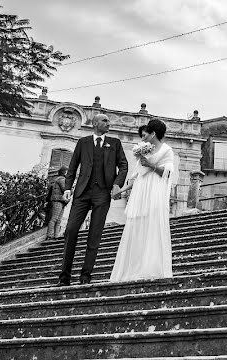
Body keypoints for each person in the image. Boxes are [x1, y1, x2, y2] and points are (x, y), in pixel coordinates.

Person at [56, 114, 128, 286]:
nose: (108, 123)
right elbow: (72, 167)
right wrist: (67, 188)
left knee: (94, 235)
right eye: (105, 121)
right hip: (82, 193)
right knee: (71, 231)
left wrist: (117, 184)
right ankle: (64, 277)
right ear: (95, 124)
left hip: (102, 194)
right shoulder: (83, 142)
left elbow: (124, 165)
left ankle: (85, 276)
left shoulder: (115, 143)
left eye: (108, 121)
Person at [110, 118, 178, 282]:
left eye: (146, 133)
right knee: (137, 227)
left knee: (152, 227)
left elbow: (168, 174)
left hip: (154, 192)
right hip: (140, 193)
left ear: (153, 133)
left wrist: (151, 165)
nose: (143, 138)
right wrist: (121, 190)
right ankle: (133, 268)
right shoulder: (144, 150)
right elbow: (136, 176)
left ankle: (151, 268)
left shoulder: (167, 150)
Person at [45, 166, 68, 239]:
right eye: (67, 171)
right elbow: (65, 189)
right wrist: (72, 188)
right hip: (58, 200)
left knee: (58, 220)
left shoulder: (59, 179)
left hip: (61, 200)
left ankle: (55, 236)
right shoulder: (61, 179)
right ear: (64, 172)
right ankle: (49, 235)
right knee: (55, 218)